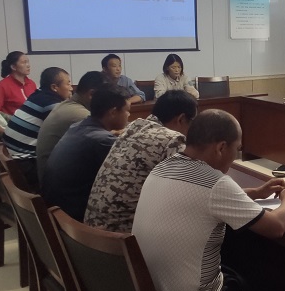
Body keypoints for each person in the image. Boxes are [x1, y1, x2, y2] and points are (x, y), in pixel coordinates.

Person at [132, 109, 285, 291]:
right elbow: (276, 227)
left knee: (239, 248)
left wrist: (256, 193)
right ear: (221, 148)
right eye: (236, 149)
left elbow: (202, 198)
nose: (235, 156)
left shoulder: (163, 167)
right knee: (283, 283)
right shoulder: (216, 183)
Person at [85, 90, 198, 233]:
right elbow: (193, 187)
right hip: (122, 237)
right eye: (193, 122)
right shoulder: (172, 139)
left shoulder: (133, 127)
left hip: (92, 232)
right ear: (181, 119)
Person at [40, 87, 130, 221]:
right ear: (113, 112)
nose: (128, 115)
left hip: (54, 206)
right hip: (72, 216)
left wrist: (112, 134)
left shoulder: (77, 126)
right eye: (127, 110)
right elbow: (127, 171)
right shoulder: (103, 141)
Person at [36, 71, 107, 182]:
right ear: (91, 94)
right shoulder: (81, 115)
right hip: (57, 183)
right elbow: (107, 141)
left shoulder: (66, 104)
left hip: (51, 177)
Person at [2, 67, 73, 158]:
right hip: (25, 159)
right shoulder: (50, 104)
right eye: (68, 84)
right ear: (54, 87)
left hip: (12, 150)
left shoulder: (37, 96)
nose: (71, 88)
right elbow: (71, 131)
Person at [0, 51, 37, 117]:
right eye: (24, 62)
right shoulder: (1, 86)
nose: (28, 65)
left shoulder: (31, 83)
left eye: (28, 62)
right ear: (13, 67)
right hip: (12, 121)